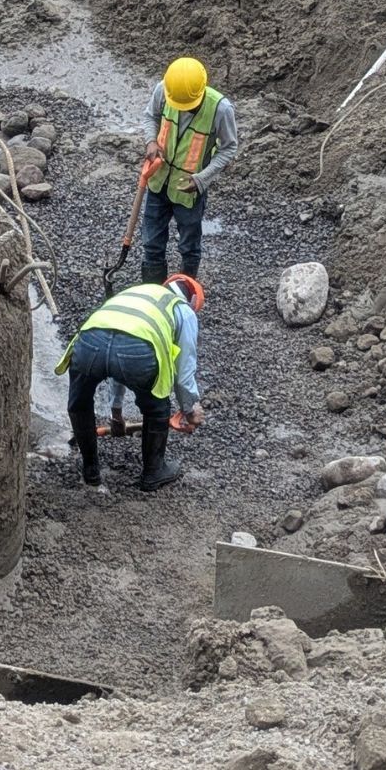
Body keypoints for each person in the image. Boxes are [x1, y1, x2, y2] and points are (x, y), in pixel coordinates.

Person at [55, 275, 206, 492]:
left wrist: (116, 413)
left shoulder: (136, 294)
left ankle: (90, 472)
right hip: (136, 352)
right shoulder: (184, 310)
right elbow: (184, 372)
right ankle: (153, 472)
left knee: (80, 403)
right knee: (157, 407)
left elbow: (115, 353)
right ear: (192, 301)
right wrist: (189, 409)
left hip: (89, 340)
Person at [140, 56, 238, 283]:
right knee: (152, 243)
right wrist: (150, 141)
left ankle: (185, 291)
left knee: (189, 245)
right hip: (158, 179)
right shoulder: (165, 90)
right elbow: (150, 116)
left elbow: (229, 148)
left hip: (190, 191)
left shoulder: (220, 110)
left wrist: (202, 179)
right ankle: (153, 292)